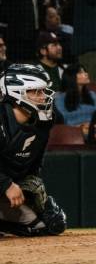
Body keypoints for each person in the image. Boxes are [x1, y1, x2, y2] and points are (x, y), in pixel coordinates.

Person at [0, 64, 67, 237]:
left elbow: (31, 167)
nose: (43, 97)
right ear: (17, 93)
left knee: (46, 226)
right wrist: (6, 184)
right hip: (3, 185)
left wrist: (31, 189)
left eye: (44, 91)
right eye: (36, 92)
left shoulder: (42, 123)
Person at [53, 64, 96, 128]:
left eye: (85, 71)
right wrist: (81, 126)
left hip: (93, 129)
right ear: (71, 77)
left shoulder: (92, 94)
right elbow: (63, 119)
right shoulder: (59, 97)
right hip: (73, 131)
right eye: (80, 72)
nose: (86, 74)